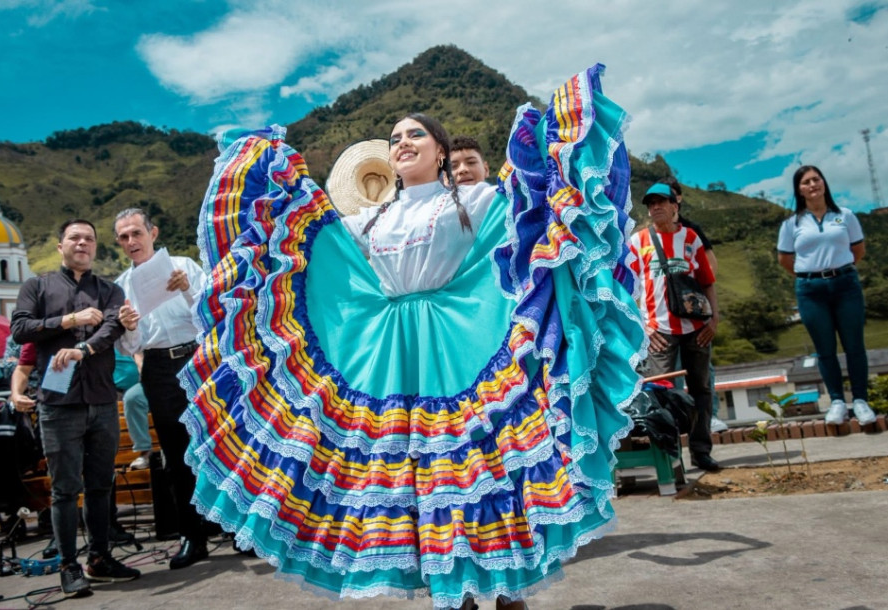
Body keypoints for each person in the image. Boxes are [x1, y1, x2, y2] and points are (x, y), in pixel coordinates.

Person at [177, 65, 644, 609]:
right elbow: (311, 245)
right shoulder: (370, 220)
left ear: (441, 150)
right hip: (391, 359)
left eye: (415, 134)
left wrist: (551, 141)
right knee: (414, 482)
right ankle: (454, 593)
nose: (402, 143)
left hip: (463, 349)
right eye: (395, 137)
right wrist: (273, 174)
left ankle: (507, 591)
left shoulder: (476, 201)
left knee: (484, 466)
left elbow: (531, 212)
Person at [11, 219, 140, 598]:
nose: (82, 243)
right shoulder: (37, 286)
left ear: (95, 247)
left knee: (101, 484)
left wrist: (84, 348)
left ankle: (99, 558)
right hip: (58, 404)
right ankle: (68, 565)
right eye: (74, 238)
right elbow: (20, 329)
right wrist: (70, 320)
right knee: (65, 489)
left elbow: (113, 327)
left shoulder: (110, 290)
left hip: (102, 399)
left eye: (89, 239)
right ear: (60, 246)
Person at [113, 208, 211, 569]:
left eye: (136, 233)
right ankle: (192, 536)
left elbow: (212, 313)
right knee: (176, 452)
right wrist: (129, 326)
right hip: (157, 367)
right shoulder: (121, 286)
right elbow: (130, 346)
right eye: (123, 237)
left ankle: (236, 530)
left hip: (197, 357)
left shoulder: (184, 265)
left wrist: (187, 290)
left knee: (217, 444)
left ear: (152, 233)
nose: (131, 241)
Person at [629, 183, 721, 472]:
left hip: (696, 327)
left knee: (701, 389)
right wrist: (645, 327)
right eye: (650, 203)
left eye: (661, 201)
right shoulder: (638, 241)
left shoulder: (691, 238)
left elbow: (707, 282)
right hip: (659, 331)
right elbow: (628, 289)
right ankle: (670, 460)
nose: (655, 207)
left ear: (674, 206)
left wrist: (714, 319)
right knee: (660, 393)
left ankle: (701, 451)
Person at [776, 165, 875, 426]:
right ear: (799, 190)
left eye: (816, 179)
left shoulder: (845, 215)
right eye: (806, 182)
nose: (812, 185)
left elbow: (858, 249)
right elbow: (784, 259)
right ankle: (837, 402)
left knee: (854, 345)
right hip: (811, 290)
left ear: (824, 183)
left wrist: (838, 268)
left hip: (846, 285)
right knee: (825, 349)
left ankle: (861, 401)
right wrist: (809, 274)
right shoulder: (791, 224)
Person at [658, 176, 728, 434]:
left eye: (670, 195)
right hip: (664, 316)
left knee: (703, 371)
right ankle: (677, 423)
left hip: (693, 313)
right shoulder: (648, 233)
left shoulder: (692, 231)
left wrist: (696, 290)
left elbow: (710, 266)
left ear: (678, 198)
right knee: (670, 372)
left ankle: (711, 418)